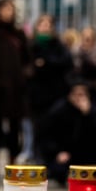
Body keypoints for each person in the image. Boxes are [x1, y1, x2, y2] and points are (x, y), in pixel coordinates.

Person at [0, 0, 31, 184]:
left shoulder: (19, 35)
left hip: (16, 91)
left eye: (10, 8)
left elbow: (28, 60)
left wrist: (24, 76)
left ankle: (12, 169)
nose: (7, 12)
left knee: (14, 131)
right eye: (4, 8)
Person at [39, 80, 96, 186]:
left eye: (82, 95)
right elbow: (46, 136)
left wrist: (87, 115)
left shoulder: (93, 111)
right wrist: (57, 152)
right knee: (58, 169)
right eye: (76, 94)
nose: (79, 98)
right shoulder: (59, 111)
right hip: (64, 154)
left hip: (86, 154)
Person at [27, 14, 73, 161]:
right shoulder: (31, 46)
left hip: (56, 95)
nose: (45, 27)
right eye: (42, 24)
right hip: (36, 96)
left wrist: (45, 63)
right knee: (37, 130)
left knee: (54, 129)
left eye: (48, 24)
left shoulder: (59, 47)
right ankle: (38, 158)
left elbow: (65, 64)